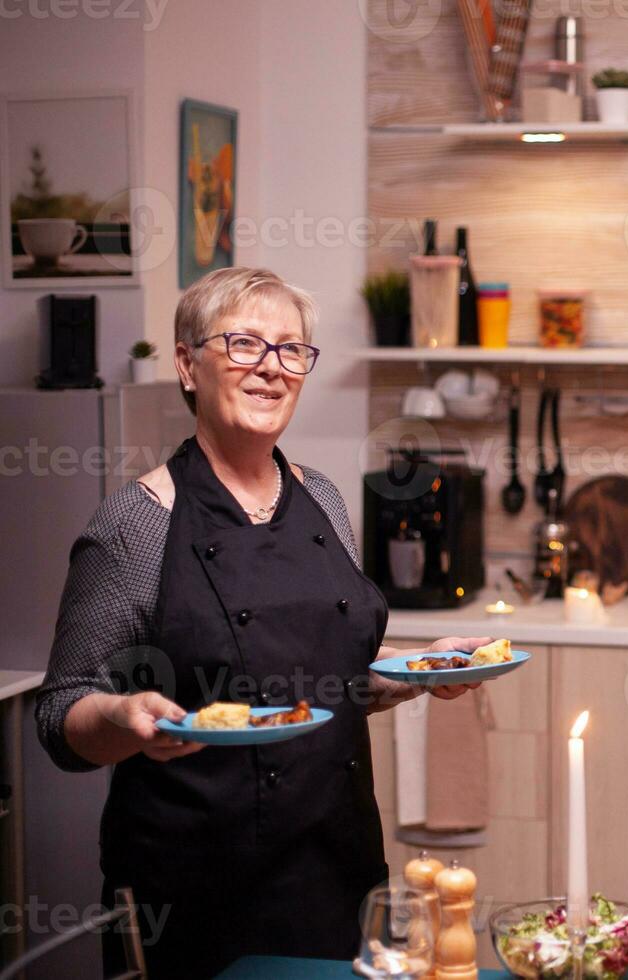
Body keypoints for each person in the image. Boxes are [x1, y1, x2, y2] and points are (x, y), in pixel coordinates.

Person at [36, 267, 494, 978]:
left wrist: (420, 670)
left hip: (339, 871)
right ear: (188, 365)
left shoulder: (325, 500)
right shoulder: (133, 526)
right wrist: (125, 715)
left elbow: (330, 679)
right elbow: (60, 714)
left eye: (291, 350)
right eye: (245, 344)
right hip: (195, 895)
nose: (271, 369)